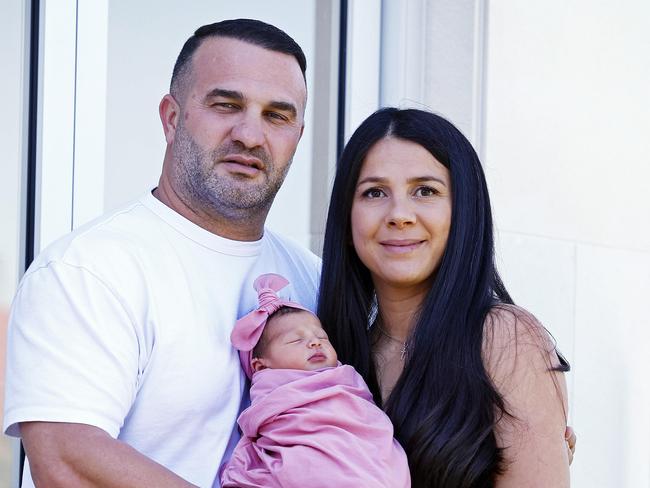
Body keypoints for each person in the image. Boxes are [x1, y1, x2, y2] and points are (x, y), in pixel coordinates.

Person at [3, 19, 320, 488]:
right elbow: (67, 462)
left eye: (277, 115)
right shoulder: (88, 269)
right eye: (226, 104)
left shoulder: (314, 277)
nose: (251, 135)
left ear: (297, 134)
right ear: (171, 117)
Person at [317, 107, 572, 487]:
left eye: (426, 191)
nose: (399, 214)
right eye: (374, 192)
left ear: (463, 210)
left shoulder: (503, 339)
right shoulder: (335, 357)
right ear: (347, 215)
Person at [220, 273, 410, 488]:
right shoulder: (276, 400)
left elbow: (368, 424)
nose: (314, 343)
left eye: (321, 337)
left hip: (367, 464)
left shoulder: (345, 383)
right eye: (296, 340)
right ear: (261, 366)